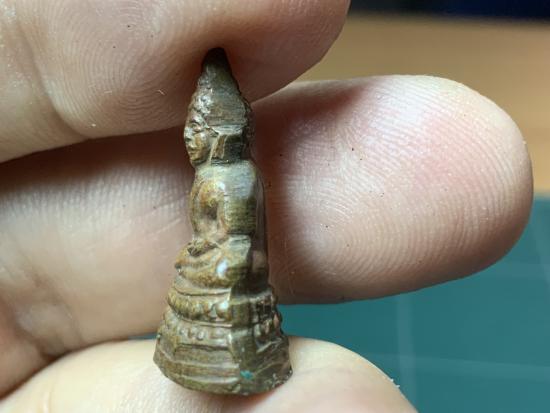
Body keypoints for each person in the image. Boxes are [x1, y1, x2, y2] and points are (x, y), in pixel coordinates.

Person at [0, 1, 532, 412]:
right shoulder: (214, 175)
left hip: (230, 273)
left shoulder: (233, 177)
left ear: (219, 135)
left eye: (198, 133)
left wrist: (212, 263)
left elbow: (236, 242)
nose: (192, 140)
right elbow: (208, 235)